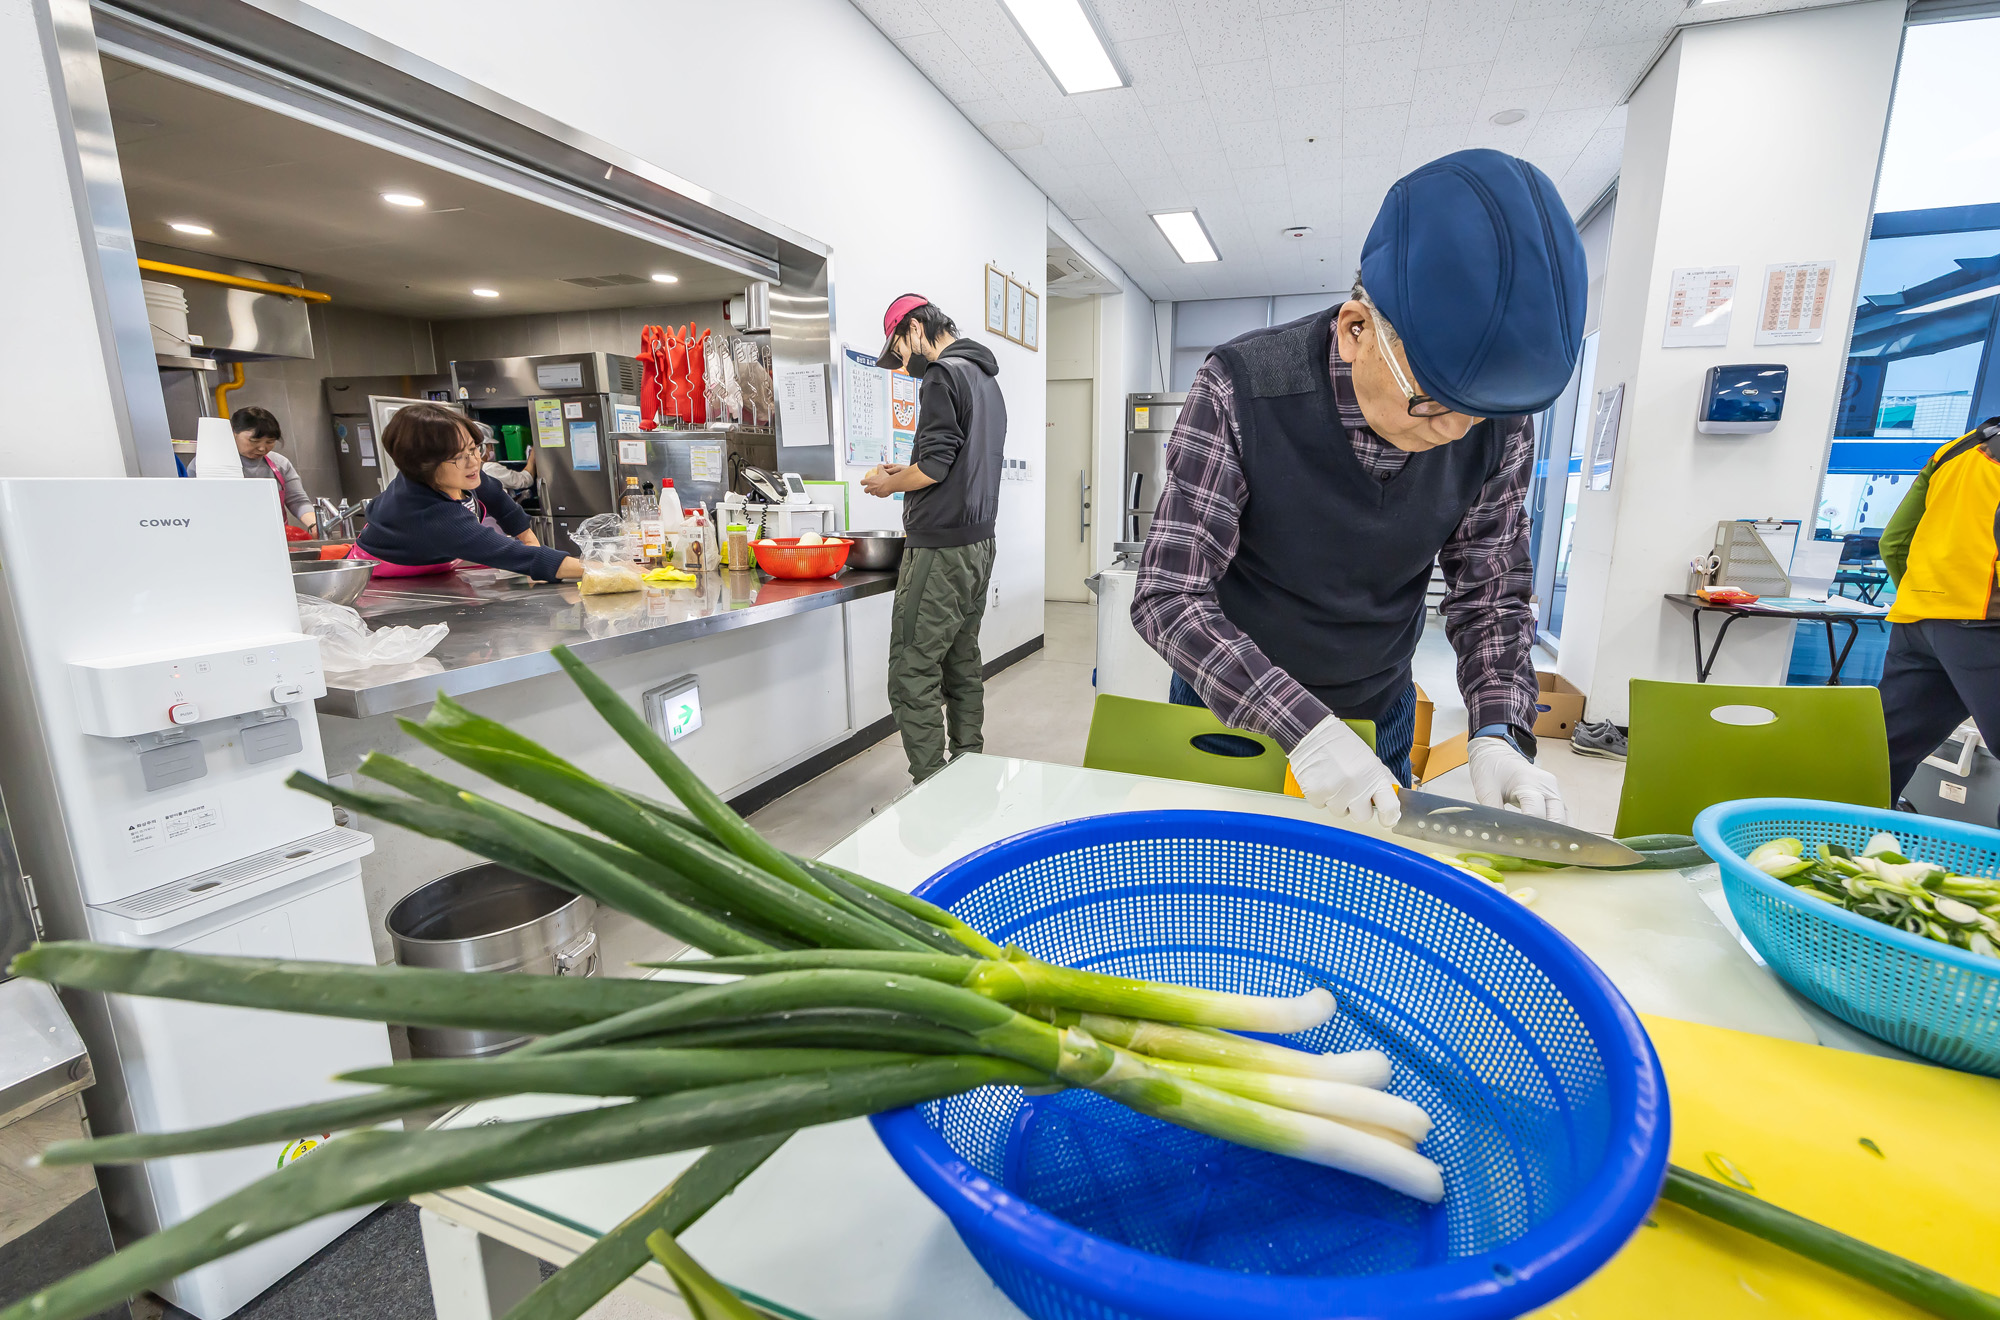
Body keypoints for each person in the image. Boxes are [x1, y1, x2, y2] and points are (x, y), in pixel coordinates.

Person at [1133, 149, 1585, 828]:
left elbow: (1489, 595)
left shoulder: (1495, 423)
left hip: (1379, 715)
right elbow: (1169, 595)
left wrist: (1498, 729)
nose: (1460, 432)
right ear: (1355, 330)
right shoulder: (1241, 387)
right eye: (1434, 403)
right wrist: (1305, 729)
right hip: (1230, 710)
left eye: (1480, 413)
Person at [860, 294, 1006, 782]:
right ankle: (968, 773)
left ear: (916, 328)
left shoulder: (944, 374)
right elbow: (956, 463)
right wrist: (912, 472)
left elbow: (938, 466)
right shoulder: (985, 379)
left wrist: (888, 483)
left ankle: (932, 787)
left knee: (911, 672)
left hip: (941, 549)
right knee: (961, 663)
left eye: (901, 352)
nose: (904, 367)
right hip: (978, 544)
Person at [1878, 417, 1999, 825]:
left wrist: (1923, 595)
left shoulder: (1958, 449)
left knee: (1882, 754)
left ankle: (1835, 859)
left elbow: (1893, 540)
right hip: (1985, 621)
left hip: (1919, 620)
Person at [354, 403, 582, 581]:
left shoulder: (458, 475)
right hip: (387, 584)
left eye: (473, 449)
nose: (474, 462)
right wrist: (603, 571)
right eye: (458, 457)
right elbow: (509, 553)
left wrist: (532, 544)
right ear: (423, 465)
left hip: (435, 570)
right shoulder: (432, 516)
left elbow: (499, 500)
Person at [190, 405, 316, 533]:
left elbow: (298, 501)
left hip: (273, 538)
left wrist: (314, 525)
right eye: (254, 441)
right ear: (233, 433)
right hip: (221, 535)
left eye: (269, 442)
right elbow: (192, 506)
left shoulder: (280, 464)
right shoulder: (206, 464)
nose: (262, 448)